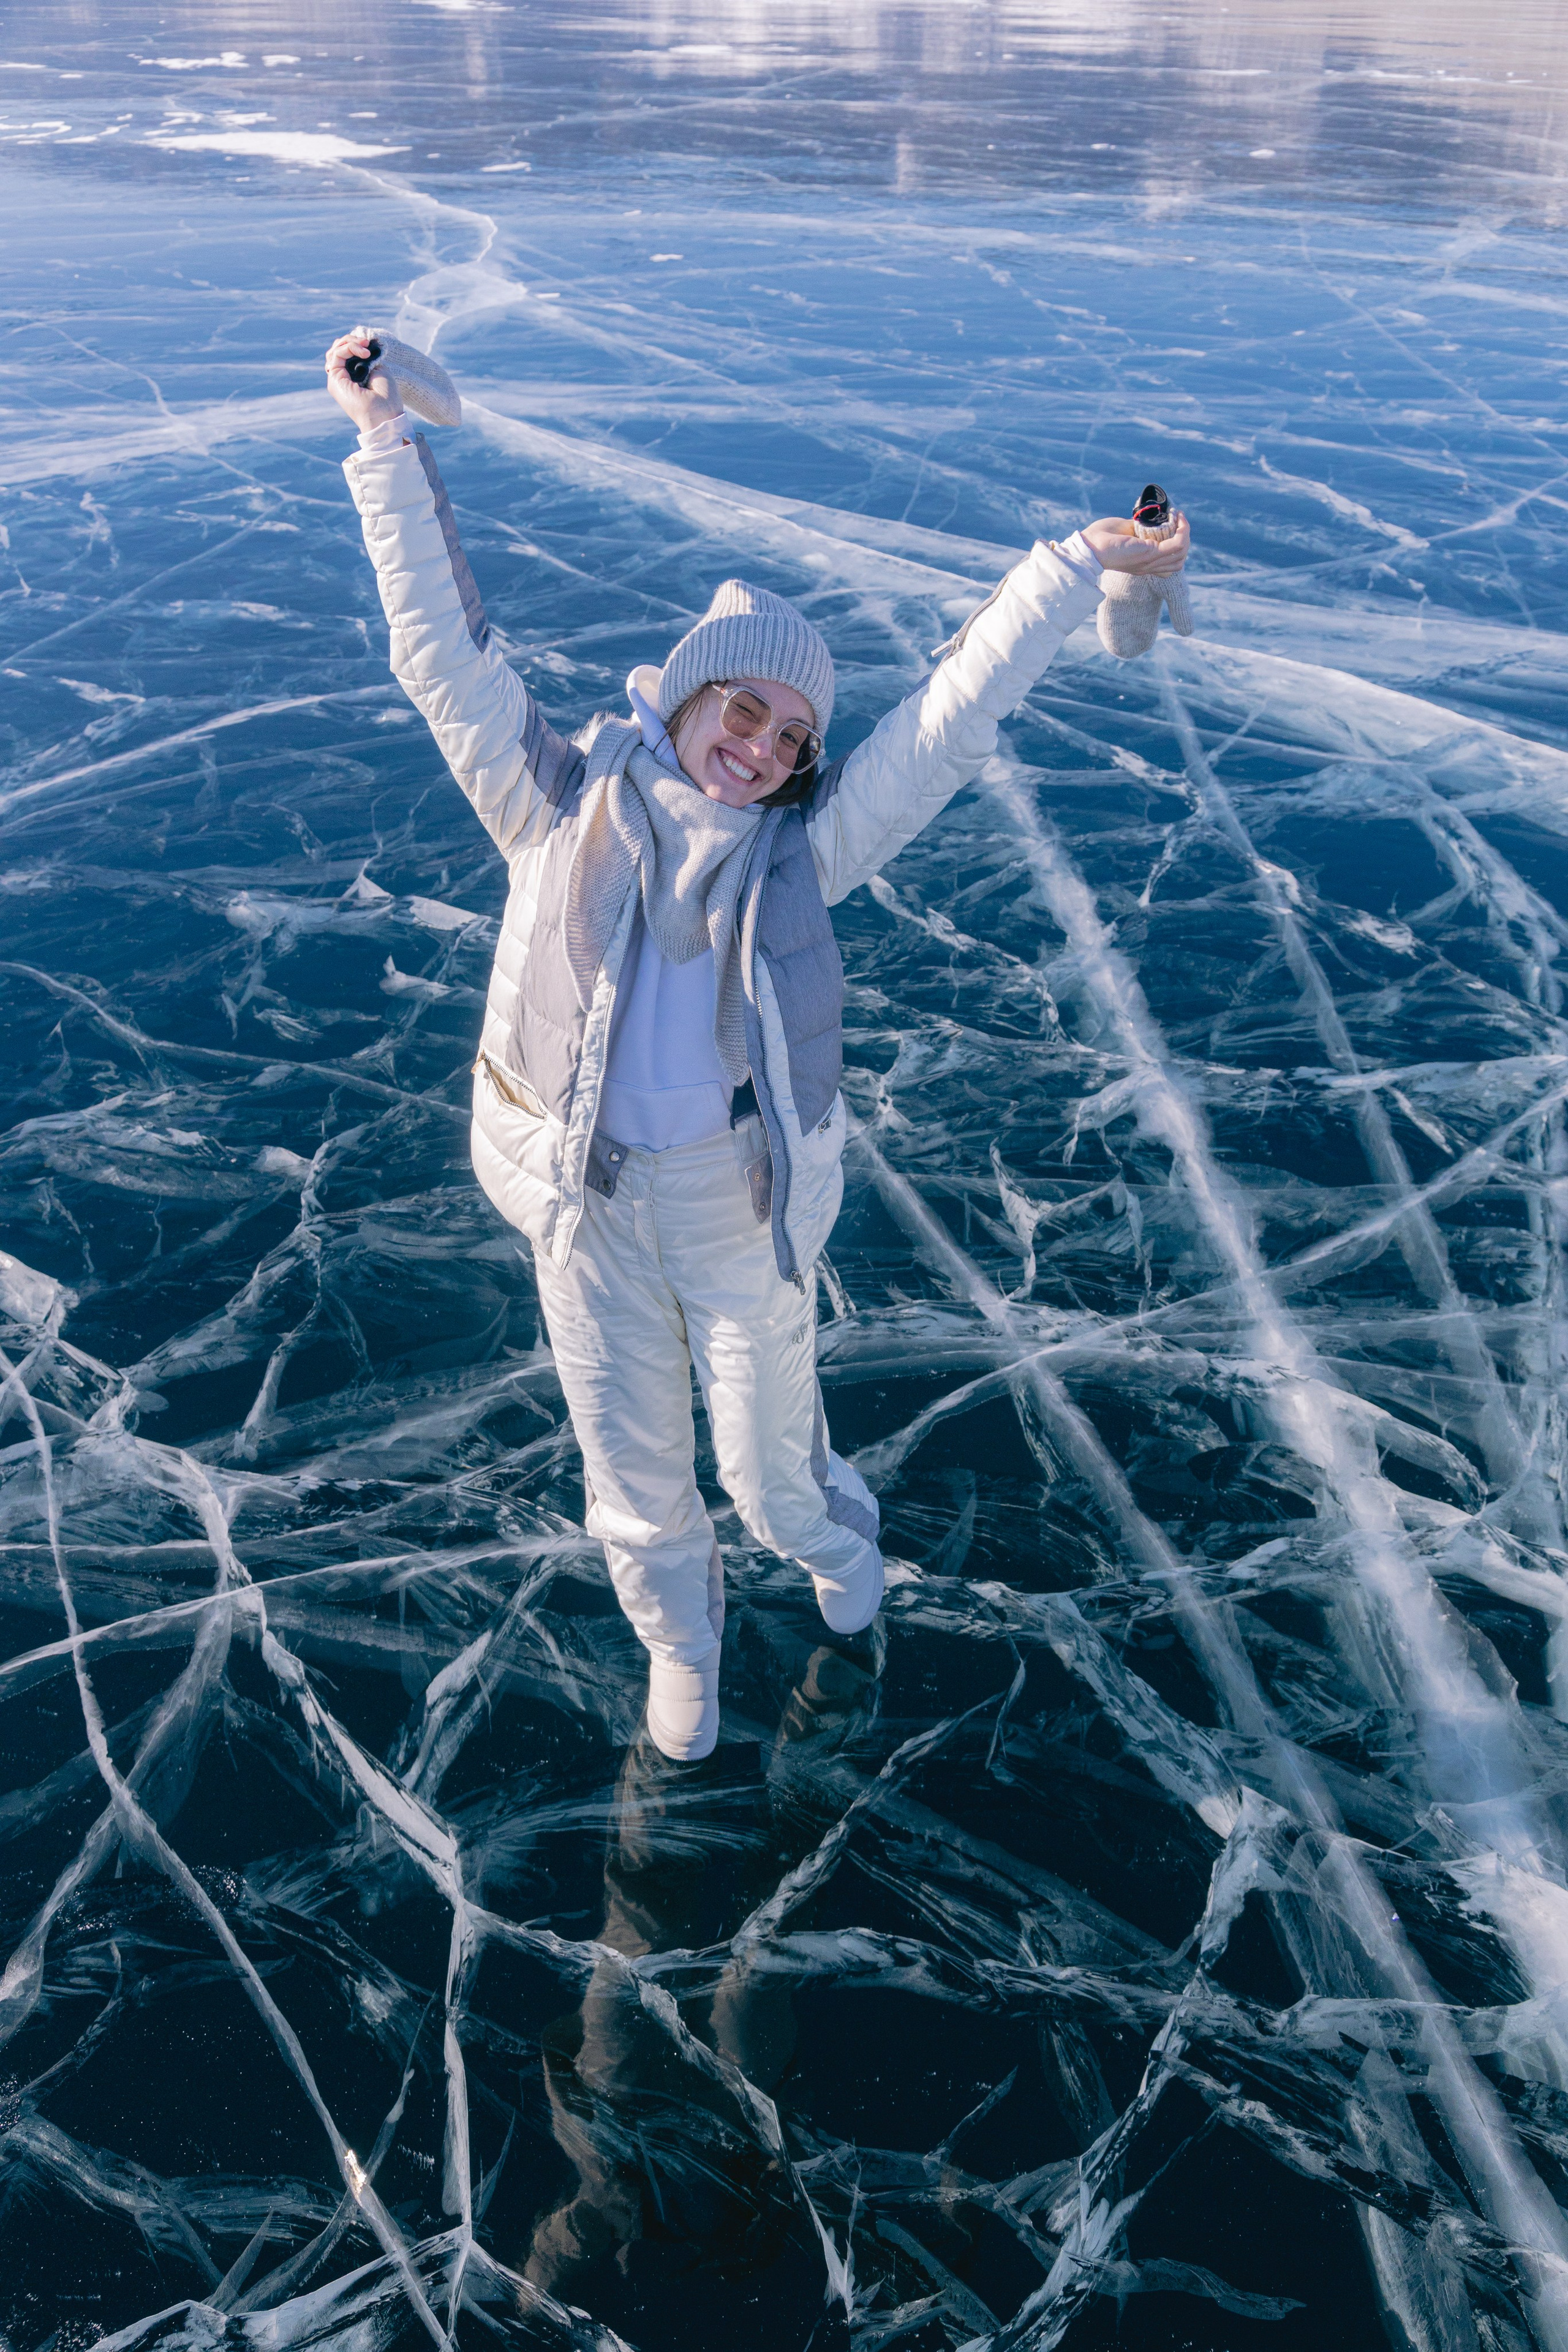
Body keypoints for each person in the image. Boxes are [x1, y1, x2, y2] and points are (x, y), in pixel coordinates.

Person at [325, 325, 1189, 1763]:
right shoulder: (552, 803)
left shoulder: (800, 853)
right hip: (585, 1204)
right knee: (634, 1476)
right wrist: (382, 445)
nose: (764, 747)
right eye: (744, 707)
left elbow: (940, 726)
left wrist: (1065, 568)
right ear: (683, 692)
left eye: (791, 735)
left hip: (737, 1207)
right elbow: (440, 651)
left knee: (768, 1477)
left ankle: (832, 1549)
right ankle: (683, 1644)